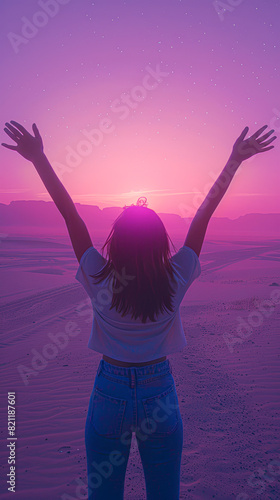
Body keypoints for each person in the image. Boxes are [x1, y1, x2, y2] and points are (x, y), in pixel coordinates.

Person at [2, 121, 276, 499]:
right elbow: (203, 214)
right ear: (160, 241)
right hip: (158, 392)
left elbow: (70, 216)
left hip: (109, 390)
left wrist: (39, 159)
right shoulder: (176, 276)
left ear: (116, 241)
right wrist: (233, 160)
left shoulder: (98, 274)